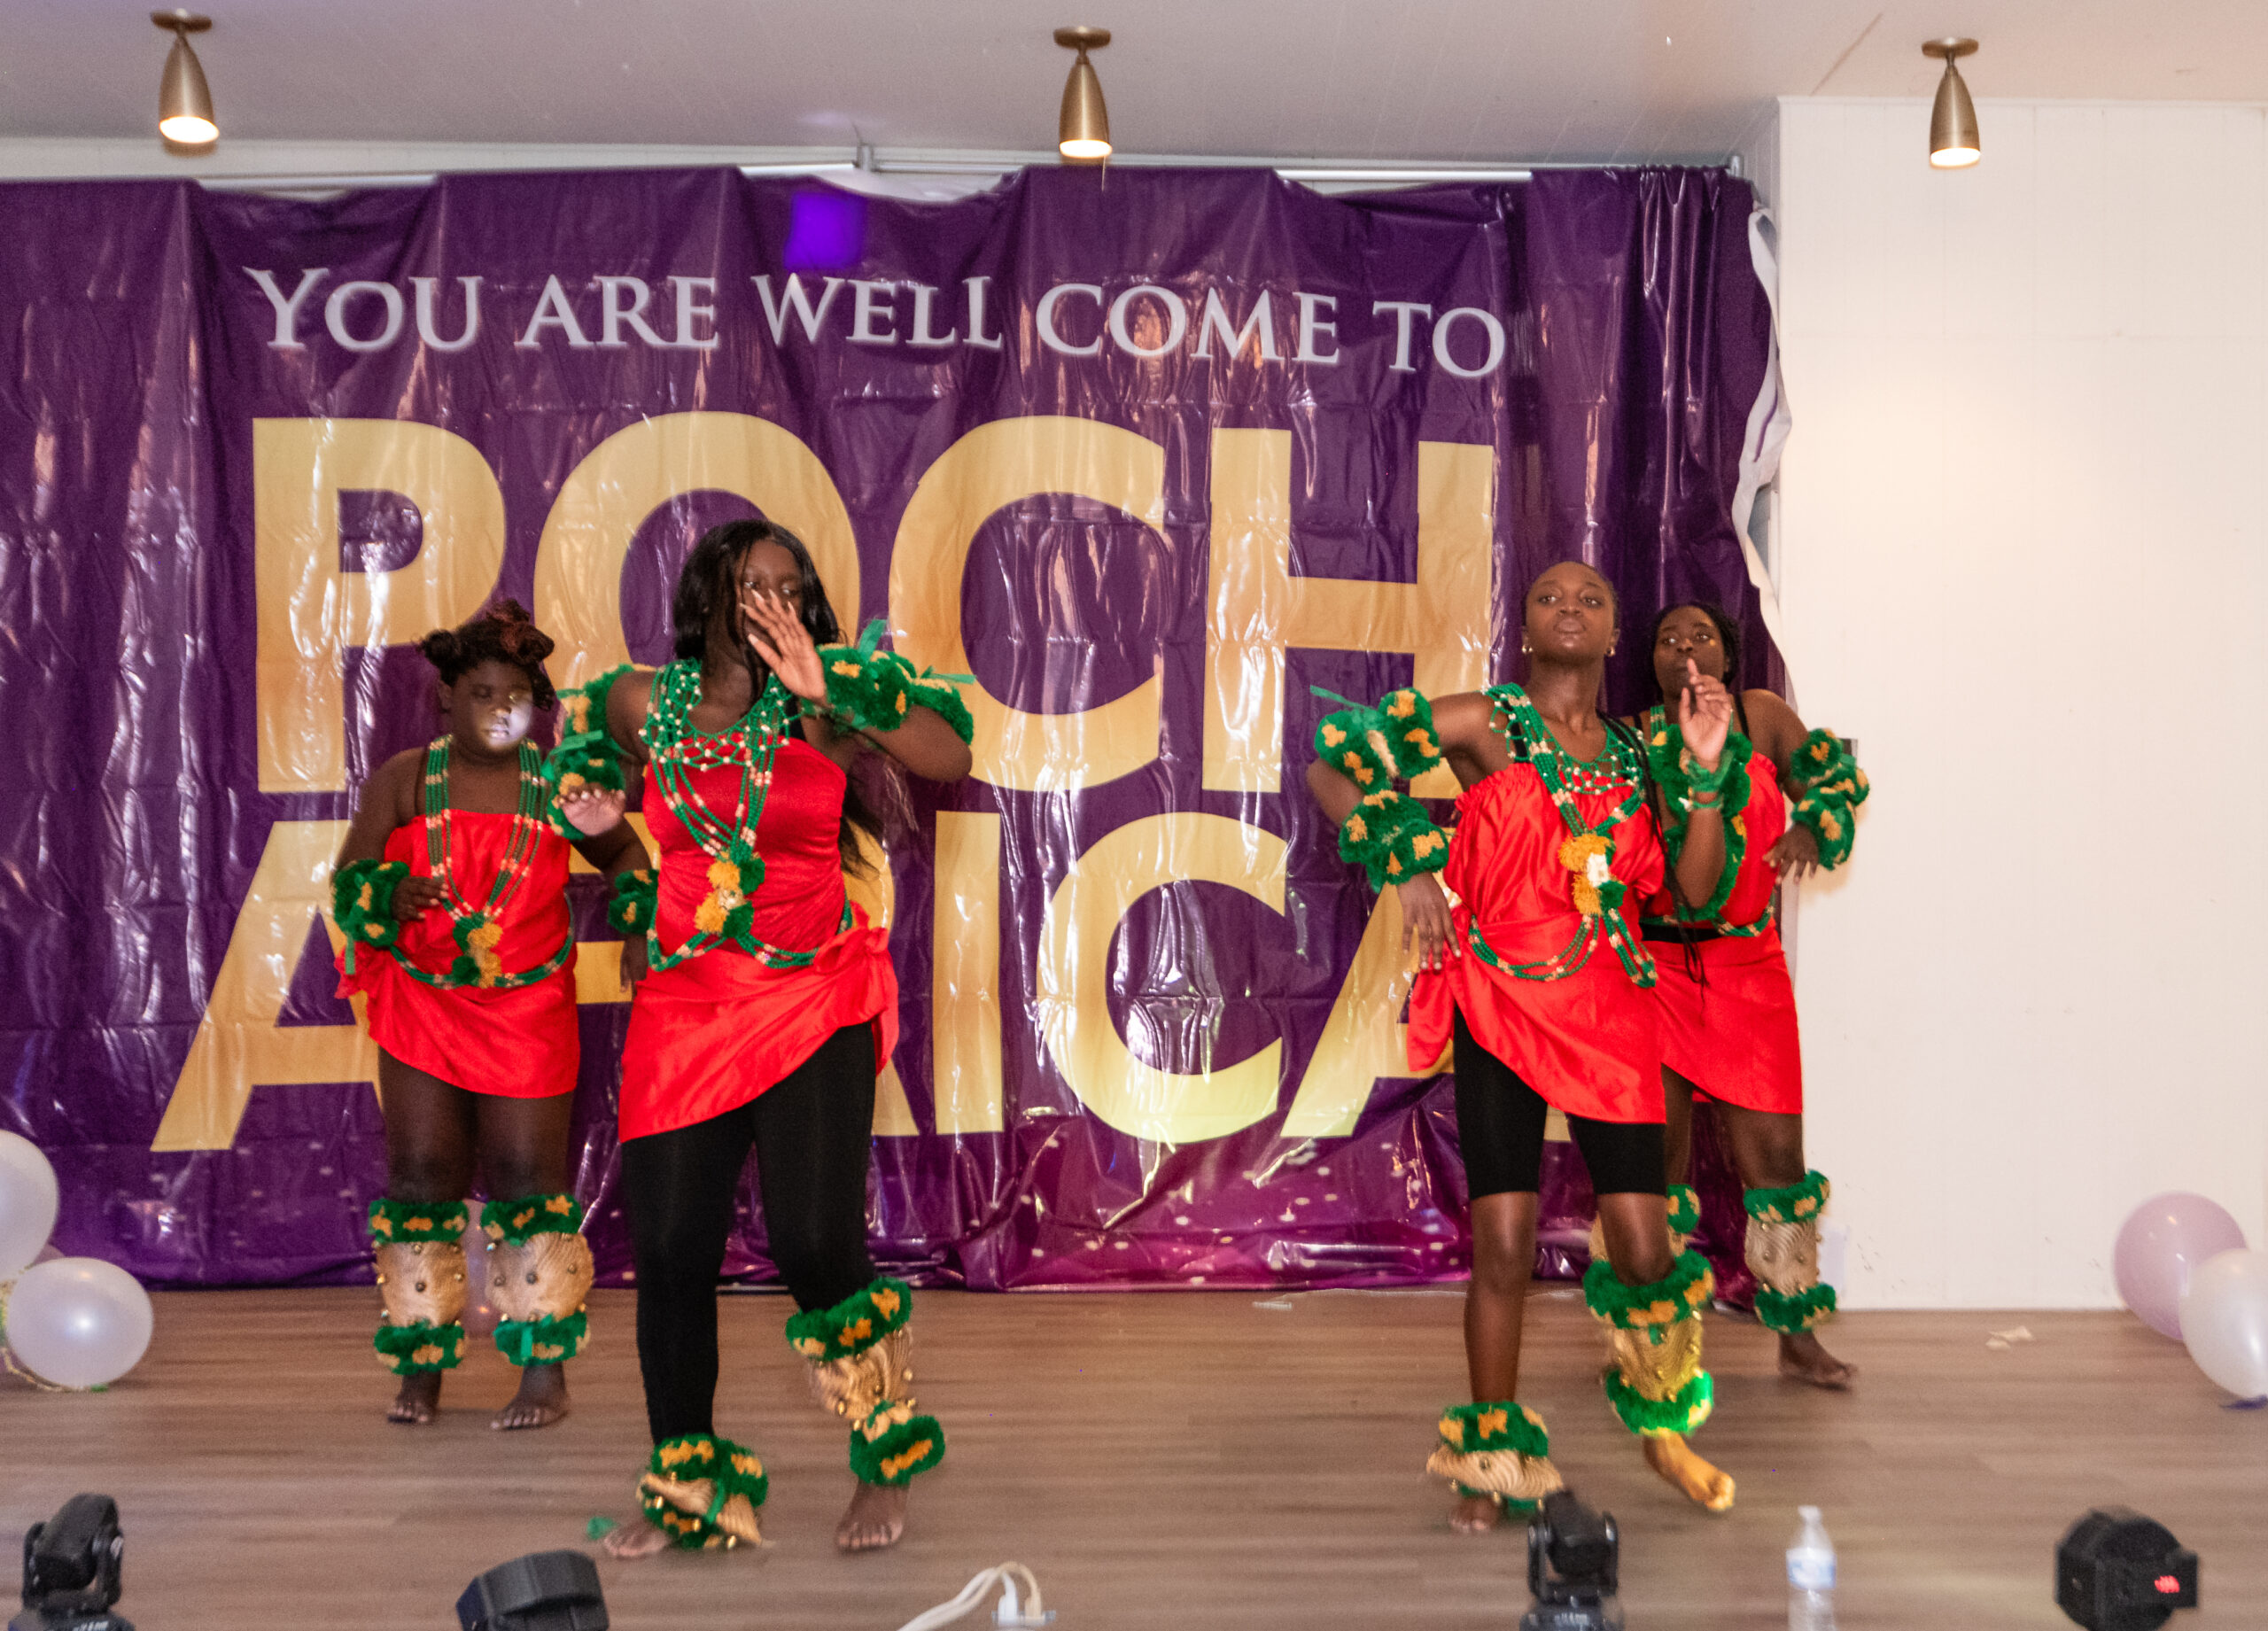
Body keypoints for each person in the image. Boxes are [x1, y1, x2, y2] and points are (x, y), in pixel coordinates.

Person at [558, 519, 973, 1557]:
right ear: (707, 593)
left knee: (815, 1242)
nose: (772, 603)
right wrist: (601, 831)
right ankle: (688, 1482)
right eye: (752, 583)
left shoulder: (825, 702)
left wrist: (835, 689)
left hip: (811, 993)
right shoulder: (640, 703)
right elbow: (602, 826)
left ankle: (883, 1455)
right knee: (669, 1249)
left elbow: (950, 754)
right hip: (686, 1004)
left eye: (790, 586)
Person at [1307, 560, 1739, 1532]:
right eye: (1550, 597)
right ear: (1525, 626)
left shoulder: (1642, 750)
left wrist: (1707, 773)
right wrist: (1406, 863)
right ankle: (1491, 1460)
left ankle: (1664, 1429)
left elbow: (1693, 890)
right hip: (1500, 996)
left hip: (1610, 1007)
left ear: (1616, 633)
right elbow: (1332, 767)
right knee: (1502, 1244)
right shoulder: (1484, 721)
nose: (1570, 607)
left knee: (1645, 1249)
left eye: (1592, 598)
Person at [332, 601, 645, 1429]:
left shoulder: (561, 782)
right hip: (424, 1000)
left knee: (525, 1179)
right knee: (421, 1177)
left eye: (517, 696)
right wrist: (390, 893)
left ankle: (544, 1374)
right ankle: (421, 1366)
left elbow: (623, 850)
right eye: (481, 693)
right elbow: (349, 880)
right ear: (445, 697)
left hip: (528, 1006)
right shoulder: (405, 778)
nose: (501, 710)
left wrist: (638, 920)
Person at [1635, 602, 1869, 1389]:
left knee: (1777, 1162)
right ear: (1652, 661)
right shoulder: (1633, 737)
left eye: (1700, 635)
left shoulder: (1763, 717)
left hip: (1746, 968)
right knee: (1654, 1167)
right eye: (1668, 638)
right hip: (1654, 970)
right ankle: (1652, 1344)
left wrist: (1812, 824)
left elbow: (1836, 780)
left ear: (1728, 657)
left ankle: (1797, 1336)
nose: (1683, 646)